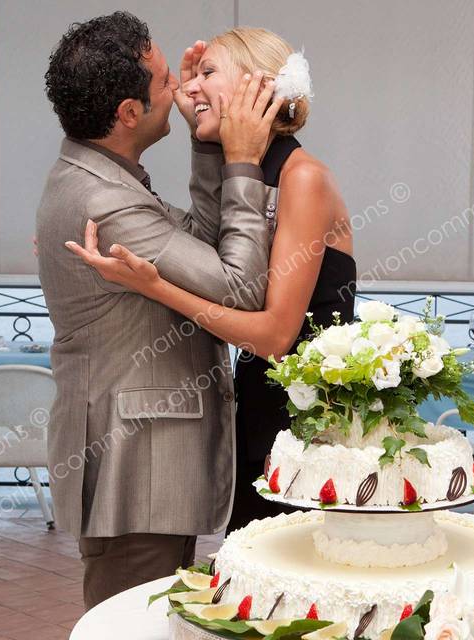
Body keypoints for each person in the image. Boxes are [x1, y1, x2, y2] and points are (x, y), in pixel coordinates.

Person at [36, 13, 283, 609]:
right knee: (130, 624)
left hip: (139, 458)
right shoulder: (105, 199)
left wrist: (206, 141)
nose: (183, 90)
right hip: (135, 464)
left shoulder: (98, 175)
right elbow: (240, 285)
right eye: (169, 82)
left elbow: (197, 244)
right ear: (127, 113)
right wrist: (243, 161)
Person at [66, 27, 356, 532]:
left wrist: (153, 285)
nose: (187, 89)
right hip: (261, 408)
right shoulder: (248, 173)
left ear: (258, 87)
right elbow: (209, 253)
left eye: (207, 74)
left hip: (305, 425)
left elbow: (273, 336)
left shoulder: (302, 178)